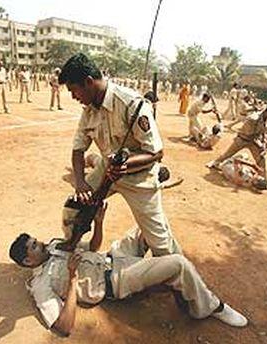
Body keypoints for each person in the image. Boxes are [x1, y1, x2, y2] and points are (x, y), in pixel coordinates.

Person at [8, 205, 248, 336]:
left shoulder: (54, 247)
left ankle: (181, 282)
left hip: (114, 257)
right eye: (34, 246)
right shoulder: (40, 286)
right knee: (179, 264)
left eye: (36, 241)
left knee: (153, 221)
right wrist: (72, 279)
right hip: (116, 281)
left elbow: (93, 246)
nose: (41, 244)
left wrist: (99, 223)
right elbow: (63, 327)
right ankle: (208, 305)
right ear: (29, 262)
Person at [58, 53, 181, 256]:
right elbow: (78, 149)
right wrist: (80, 183)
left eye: (74, 90)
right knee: (72, 211)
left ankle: (178, 275)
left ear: (88, 82)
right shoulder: (88, 109)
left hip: (139, 178)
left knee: (161, 245)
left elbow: (156, 152)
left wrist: (126, 164)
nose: (73, 97)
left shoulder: (130, 103)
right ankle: (77, 248)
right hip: (106, 170)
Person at [206, 103, 267, 185]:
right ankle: (214, 163)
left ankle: (263, 179)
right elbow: (250, 134)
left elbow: (263, 132)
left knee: (261, 159)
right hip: (243, 139)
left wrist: (263, 142)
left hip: (254, 140)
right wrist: (260, 145)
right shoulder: (253, 118)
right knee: (228, 154)